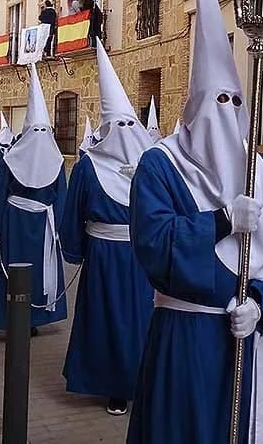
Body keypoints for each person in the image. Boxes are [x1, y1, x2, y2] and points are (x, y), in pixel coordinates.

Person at [127, 0, 263, 444]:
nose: (226, 112)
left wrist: (261, 306)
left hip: (246, 340)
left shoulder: (256, 168)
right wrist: (221, 220)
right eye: (216, 101)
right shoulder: (159, 166)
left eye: (235, 102)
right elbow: (156, 246)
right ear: (195, 105)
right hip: (185, 343)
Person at [61, 42, 154, 416]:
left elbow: (73, 214)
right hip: (116, 256)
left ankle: (133, 383)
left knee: (132, 320)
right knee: (118, 319)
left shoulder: (150, 165)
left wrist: (75, 248)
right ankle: (117, 384)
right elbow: (76, 209)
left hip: (133, 256)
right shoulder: (91, 166)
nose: (125, 131)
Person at [0, 63, 68, 334]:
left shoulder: (50, 160)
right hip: (20, 221)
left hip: (31, 222)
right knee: (16, 268)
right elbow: (0, 192)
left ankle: (33, 317)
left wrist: (58, 227)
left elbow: (61, 197)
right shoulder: (12, 158)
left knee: (31, 269)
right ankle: (18, 316)